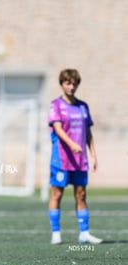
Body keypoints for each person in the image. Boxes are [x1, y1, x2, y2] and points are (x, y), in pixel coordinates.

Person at [47, 69, 102, 245]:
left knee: (81, 194)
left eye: (74, 83)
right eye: (68, 83)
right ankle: (56, 233)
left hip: (80, 160)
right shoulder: (55, 105)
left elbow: (88, 133)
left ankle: (84, 233)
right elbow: (57, 128)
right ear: (62, 84)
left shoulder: (83, 106)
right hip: (61, 159)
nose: (71, 87)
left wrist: (93, 154)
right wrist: (71, 144)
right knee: (57, 193)